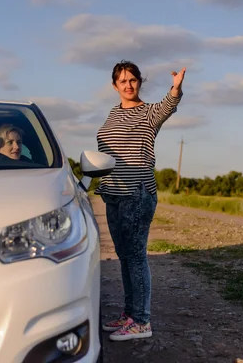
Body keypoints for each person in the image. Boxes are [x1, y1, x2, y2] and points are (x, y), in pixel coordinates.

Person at [95, 60, 186, 342]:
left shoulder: (148, 113)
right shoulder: (112, 114)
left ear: (139, 82)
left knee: (135, 257)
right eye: (122, 81)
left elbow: (167, 106)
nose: (128, 85)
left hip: (137, 192)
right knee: (124, 257)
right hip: (113, 194)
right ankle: (130, 314)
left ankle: (142, 321)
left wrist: (175, 88)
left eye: (133, 79)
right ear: (115, 86)